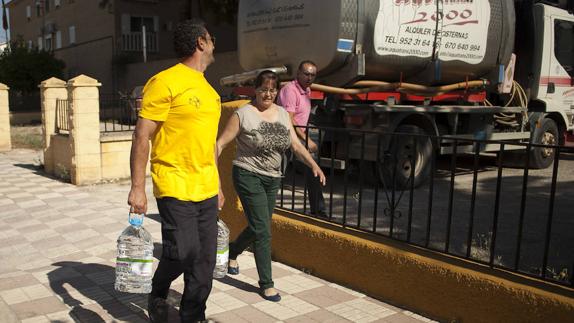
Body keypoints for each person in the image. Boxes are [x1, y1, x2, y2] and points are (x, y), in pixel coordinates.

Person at [127, 19, 223, 323]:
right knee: (183, 252)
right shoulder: (165, 81)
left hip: (206, 187)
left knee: (204, 262)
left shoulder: (210, 92)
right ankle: (158, 291)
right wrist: (137, 187)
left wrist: (219, 185)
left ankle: (193, 317)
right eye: (211, 38)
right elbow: (143, 135)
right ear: (200, 42)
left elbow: (209, 146)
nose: (213, 43)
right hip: (173, 182)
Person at [216, 70, 326, 302]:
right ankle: (266, 283)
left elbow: (295, 144)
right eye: (264, 89)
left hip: (273, 177)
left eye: (272, 90)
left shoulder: (283, 114)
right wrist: (214, 180)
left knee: (259, 226)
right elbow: (219, 145)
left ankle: (233, 252)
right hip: (247, 174)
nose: (268, 94)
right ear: (255, 90)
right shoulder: (243, 114)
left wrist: (314, 165)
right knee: (263, 230)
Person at [278, 60, 327, 218]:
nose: (309, 77)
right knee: (277, 174)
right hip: (286, 137)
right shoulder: (291, 90)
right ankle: (266, 206)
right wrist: (307, 139)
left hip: (297, 136)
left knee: (314, 171)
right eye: (306, 74)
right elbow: (289, 119)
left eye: (312, 75)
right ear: (298, 73)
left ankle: (318, 210)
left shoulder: (306, 90)